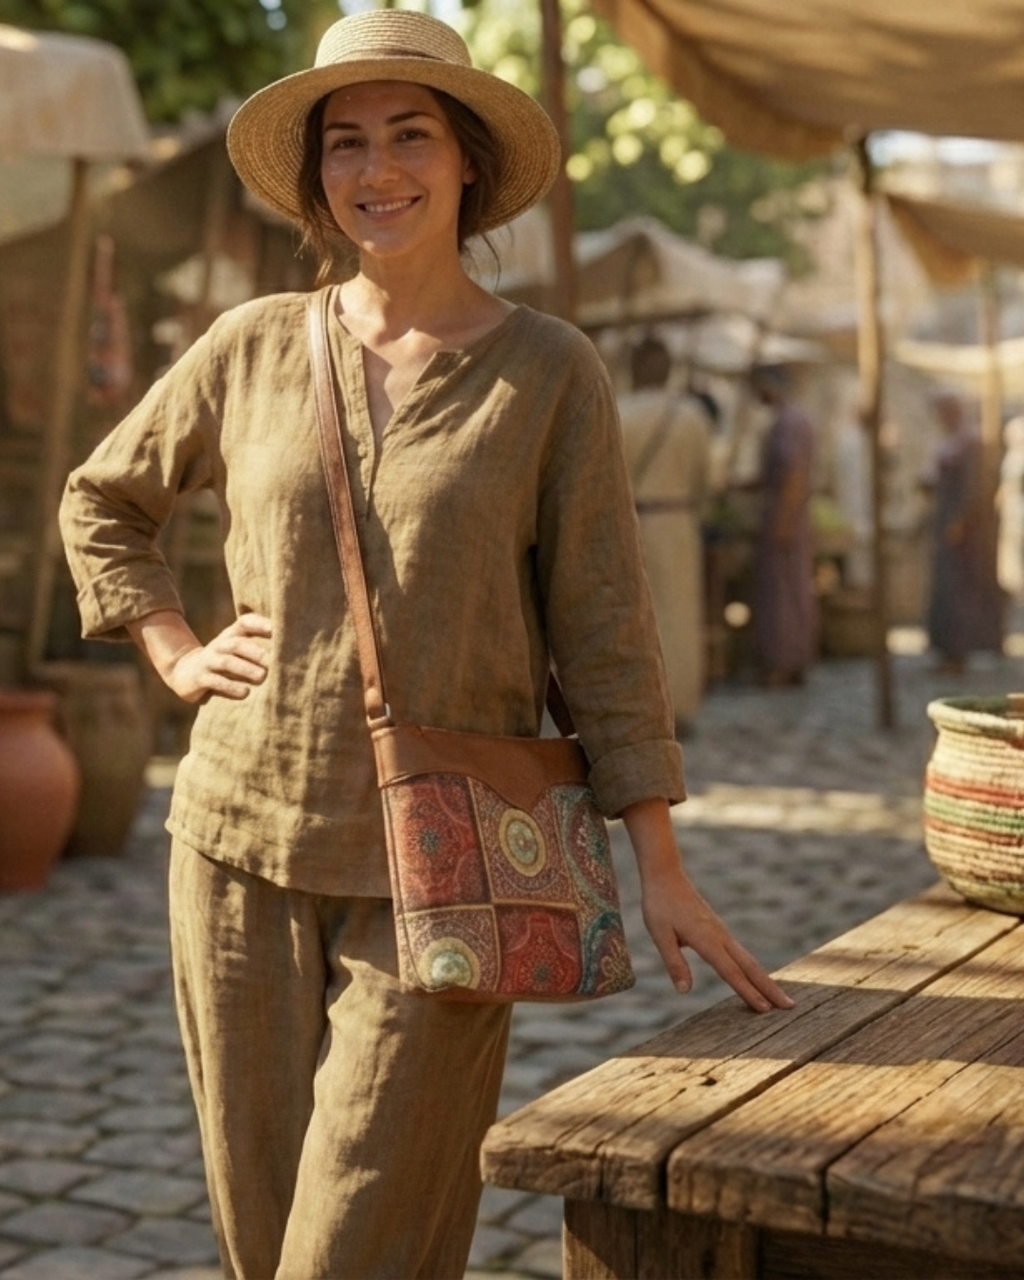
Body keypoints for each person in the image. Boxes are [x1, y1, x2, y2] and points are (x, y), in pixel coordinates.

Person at [59, 11, 793, 1278]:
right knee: (261, 1239)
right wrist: (173, 647)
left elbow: (605, 627)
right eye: (345, 142)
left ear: (465, 164)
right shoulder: (249, 346)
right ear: (316, 175)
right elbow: (102, 499)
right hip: (235, 845)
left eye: (410, 135)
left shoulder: (549, 373)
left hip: (453, 865)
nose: (376, 168)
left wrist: (658, 863)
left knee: (356, 1245)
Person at [618, 333, 711, 736]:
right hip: (677, 522)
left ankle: (641, 708)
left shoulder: (620, 411)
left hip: (631, 521)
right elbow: (705, 479)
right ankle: (680, 706)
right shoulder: (691, 415)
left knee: (633, 617)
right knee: (680, 614)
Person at [922, 388, 1003, 674]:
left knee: (958, 588)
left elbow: (974, 487)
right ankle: (948, 651)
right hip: (947, 521)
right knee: (946, 588)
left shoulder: (970, 442)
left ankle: (960, 650)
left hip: (964, 530)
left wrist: (960, 521)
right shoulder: (952, 442)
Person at [748, 363, 818, 686]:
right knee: (792, 590)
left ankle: (783, 662)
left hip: (786, 519)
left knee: (782, 595)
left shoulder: (790, 422)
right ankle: (793, 659)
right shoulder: (788, 420)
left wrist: (783, 521)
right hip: (789, 517)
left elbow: (794, 474)